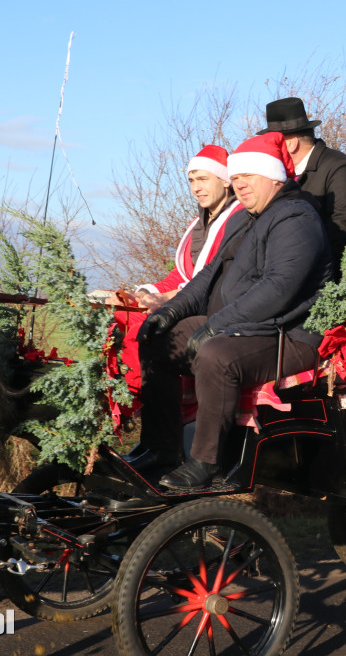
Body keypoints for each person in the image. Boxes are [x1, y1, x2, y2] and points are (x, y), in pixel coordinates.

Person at [136, 132, 333, 488]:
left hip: (290, 334)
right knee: (158, 338)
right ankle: (161, 447)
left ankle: (206, 462)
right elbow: (210, 274)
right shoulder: (250, 218)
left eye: (248, 176)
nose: (239, 184)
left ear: (274, 177)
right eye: (236, 177)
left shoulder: (296, 218)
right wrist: (171, 312)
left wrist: (217, 326)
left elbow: (279, 288)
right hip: (246, 325)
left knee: (216, 355)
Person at [107, 145, 247, 463]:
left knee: (152, 336)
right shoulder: (196, 224)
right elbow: (180, 275)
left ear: (225, 181)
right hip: (186, 301)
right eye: (191, 180)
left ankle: (164, 444)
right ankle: (152, 437)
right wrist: (144, 293)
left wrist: (164, 301)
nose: (196, 186)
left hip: (213, 310)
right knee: (124, 314)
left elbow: (209, 281)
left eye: (203, 178)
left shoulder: (237, 220)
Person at [257, 97, 346, 262]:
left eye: (274, 142)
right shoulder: (280, 176)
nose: (269, 150)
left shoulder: (336, 166)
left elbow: (341, 227)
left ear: (291, 144)